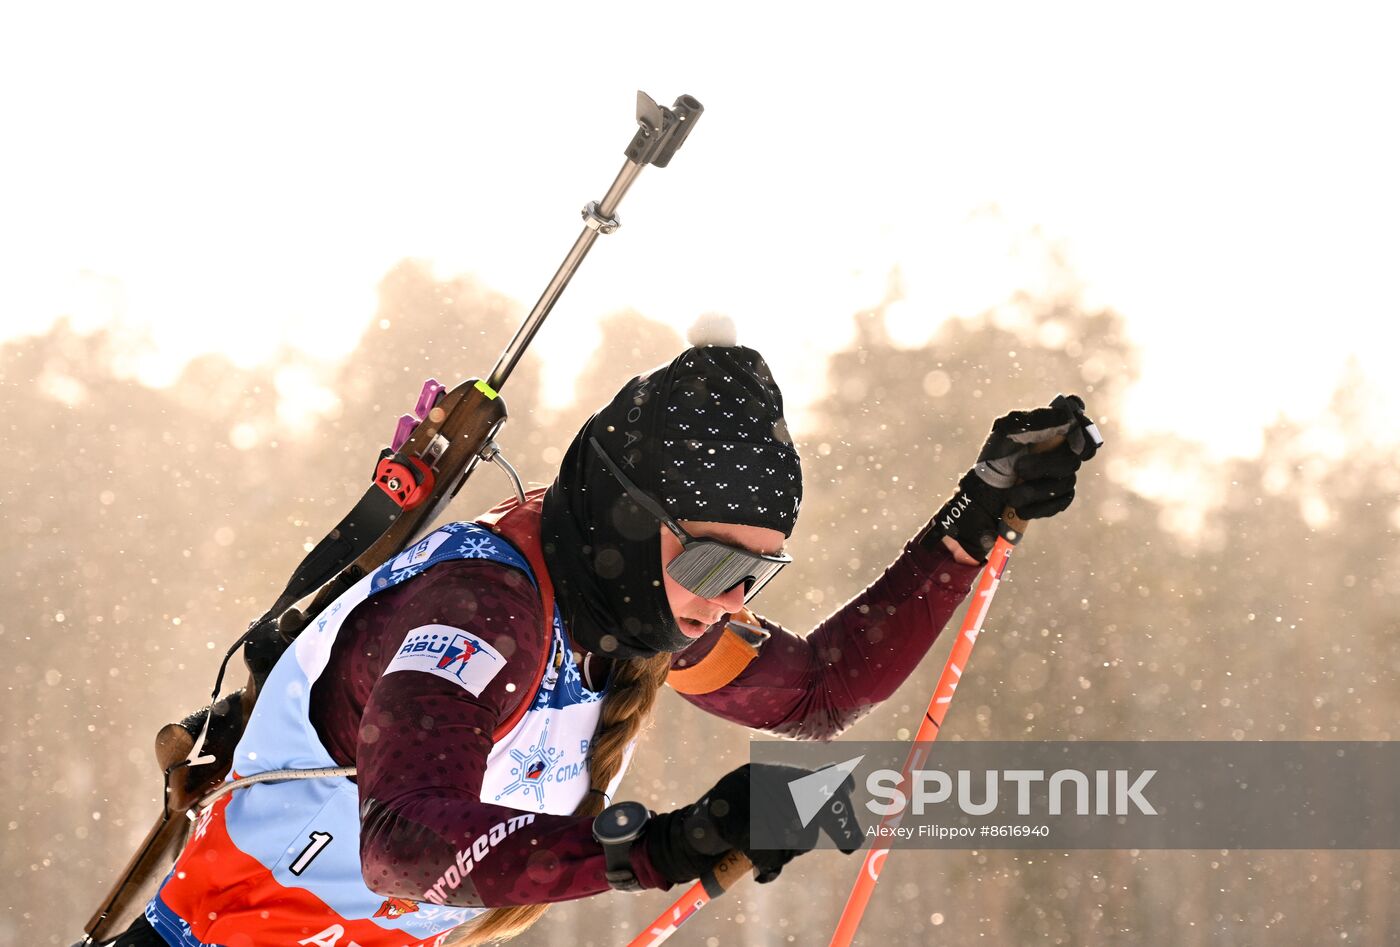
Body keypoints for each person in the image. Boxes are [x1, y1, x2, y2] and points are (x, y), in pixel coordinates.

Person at [108, 344, 1097, 947]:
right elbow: (403, 843)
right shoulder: (478, 609)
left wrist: (971, 519)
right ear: (628, 519)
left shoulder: (625, 609)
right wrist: (655, 846)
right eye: (713, 565)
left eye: (757, 573)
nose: (728, 601)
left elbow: (815, 691)